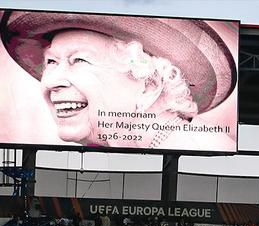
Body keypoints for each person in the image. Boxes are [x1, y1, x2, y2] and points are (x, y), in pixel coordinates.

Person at [2, 11, 237, 150]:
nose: (51, 81)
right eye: (51, 62)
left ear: (149, 86)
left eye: (80, 60)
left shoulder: (202, 149)